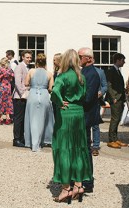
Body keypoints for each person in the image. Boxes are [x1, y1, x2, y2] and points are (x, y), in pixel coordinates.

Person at [51, 49, 91, 203]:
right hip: (79, 113)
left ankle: (66, 188)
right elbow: (85, 95)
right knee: (79, 148)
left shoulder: (63, 76)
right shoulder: (81, 77)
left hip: (66, 114)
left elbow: (54, 92)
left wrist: (60, 102)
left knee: (64, 149)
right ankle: (79, 185)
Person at [77, 47, 100, 193]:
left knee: (85, 149)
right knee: (82, 148)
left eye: (80, 56)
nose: (78, 59)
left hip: (86, 115)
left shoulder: (91, 73)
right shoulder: (85, 72)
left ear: (89, 58)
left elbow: (88, 96)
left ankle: (87, 181)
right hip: (83, 114)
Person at [23, 53, 54, 152]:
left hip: (33, 94)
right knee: (44, 119)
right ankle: (41, 141)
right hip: (44, 95)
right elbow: (50, 88)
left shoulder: (31, 71)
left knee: (32, 119)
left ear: (36, 62)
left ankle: (34, 143)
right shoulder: (49, 73)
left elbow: (26, 83)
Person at [106, 53, 128, 149]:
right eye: (123, 60)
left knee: (117, 119)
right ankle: (111, 140)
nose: (124, 62)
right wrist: (113, 97)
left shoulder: (117, 71)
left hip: (120, 98)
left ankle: (115, 138)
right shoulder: (111, 71)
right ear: (118, 60)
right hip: (115, 98)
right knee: (115, 119)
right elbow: (109, 85)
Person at [12, 50, 32, 147]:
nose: (29, 59)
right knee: (18, 119)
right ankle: (16, 139)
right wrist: (23, 93)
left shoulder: (27, 67)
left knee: (23, 119)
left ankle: (21, 138)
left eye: (30, 57)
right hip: (19, 97)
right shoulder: (19, 67)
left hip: (25, 97)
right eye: (27, 57)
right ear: (22, 57)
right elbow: (17, 82)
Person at [91, 62, 108, 156]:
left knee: (95, 125)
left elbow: (105, 85)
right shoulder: (81, 72)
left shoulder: (100, 72)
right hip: (84, 101)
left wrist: (101, 92)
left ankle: (95, 146)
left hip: (96, 101)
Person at [0, 57, 14, 124]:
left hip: (1, 86)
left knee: (0, 101)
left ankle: (1, 118)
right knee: (7, 101)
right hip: (8, 86)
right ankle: (8, 118)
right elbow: (11, 79)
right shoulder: (10, 70)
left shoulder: (0, 70)